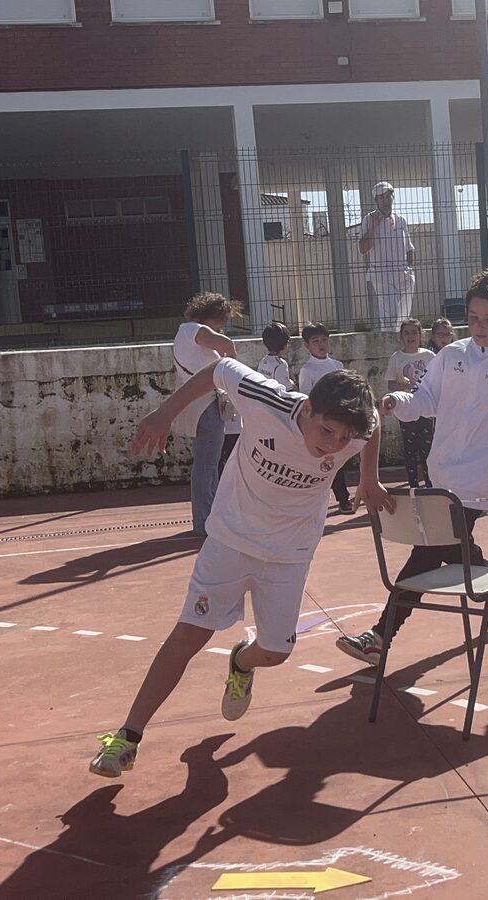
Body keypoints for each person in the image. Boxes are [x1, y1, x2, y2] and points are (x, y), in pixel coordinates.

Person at [88, 361, 389, 778]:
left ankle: (242, 663)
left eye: (343, 438)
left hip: (290, 553)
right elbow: (217, 368)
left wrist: (369, 477)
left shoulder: (355, 430)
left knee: (277, 652)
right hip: (229, 543)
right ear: (307, 408)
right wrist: (166, 413)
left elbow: (374, 426)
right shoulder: (265, 399)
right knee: (189, 635)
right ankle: (127, 737)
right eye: (326, 431)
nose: (334, 445)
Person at [335, 269, 488, 664]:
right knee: (449, 546)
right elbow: (426, 399)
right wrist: (399, 402)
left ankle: (380, 637)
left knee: (428, 548)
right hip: (441, 470)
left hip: (482, 475)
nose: (481, 327)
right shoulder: (452, 354)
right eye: (473, 318)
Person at [171, 292, 241, 536]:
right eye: (222, 319)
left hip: (199, 402)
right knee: (207, 465)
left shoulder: (186, 333)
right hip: (206, 403)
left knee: (207, 464)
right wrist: (234, 367)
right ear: (212, 315)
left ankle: (207, 517)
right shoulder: (193, 330)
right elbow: (227, 345)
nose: (223, 325)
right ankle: (205, 520)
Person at [299, 323, 353, 513]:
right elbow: (306, 398)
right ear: (307, 345)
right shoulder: (307, 370)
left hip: (339, 421)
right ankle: (314, 502)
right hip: (321, 424)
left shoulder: (337, 366)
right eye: (315, 341)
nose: (321, 344)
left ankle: (343, 498)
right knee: (320, 464)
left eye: (324, 340)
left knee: (337, 461)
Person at [385, 318, 437, 488]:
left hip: (426, 407)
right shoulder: (397, 357)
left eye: (414, 332)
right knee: (410, 448)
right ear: (401, 336)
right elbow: (390, 384)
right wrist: (399, 386)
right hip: (406, 409)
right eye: (406, 333)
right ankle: (413, 484)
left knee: (427, 447)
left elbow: (438, 379)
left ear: (421, 335)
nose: (410, 336)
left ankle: (430, 484)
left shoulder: (429, 356)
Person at [358, 181, 415, 331]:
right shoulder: (368, 219)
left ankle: (402, 339)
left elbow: (409, 248)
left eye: (388, 196)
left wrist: (409, 269)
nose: (386, 200)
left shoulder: (401, 220)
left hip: (402, 274)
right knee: (389, 319)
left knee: (404, 317)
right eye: (381, 197)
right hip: (382, 275)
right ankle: (389, 343)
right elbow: (363, 248)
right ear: (376, 200)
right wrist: (372, 229)